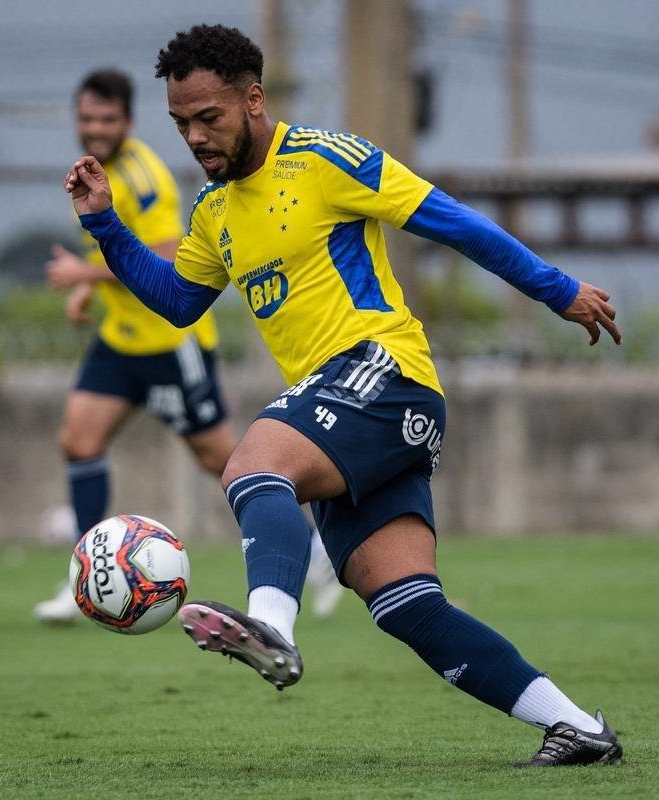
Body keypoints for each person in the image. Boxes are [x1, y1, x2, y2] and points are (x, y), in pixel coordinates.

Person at [63, 26, 623, 767]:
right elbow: (176, 300)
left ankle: (274, 629)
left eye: (210, 117)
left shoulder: (327, 158)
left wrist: (559, 291)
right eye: (181, 123)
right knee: (405, 605)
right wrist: (104, 224)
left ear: (253, 99)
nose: (195, 136)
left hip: (384, 374)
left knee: (250, 466)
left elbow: (451, 222)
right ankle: (578, 727)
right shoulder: (215, 211)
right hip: (349, 408)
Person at [37, 67, 341, 623]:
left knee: (226, 461)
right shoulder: (101, 171)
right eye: (87, 118)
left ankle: (317, 545)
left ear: (127, 122)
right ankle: (86, 574)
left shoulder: (142, 173)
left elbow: (170, 247)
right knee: (78, 440)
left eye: (107, 119)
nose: (95, 128)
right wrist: (88, 289)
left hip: (168, 343)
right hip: (120, 341)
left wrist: (83, 276)